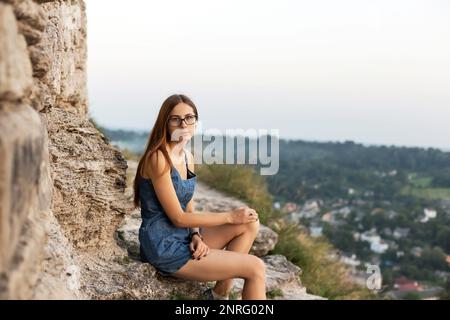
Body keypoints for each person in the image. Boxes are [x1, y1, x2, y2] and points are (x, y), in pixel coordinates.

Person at [133, 94, 266, 300]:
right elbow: (178, 217)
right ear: (165, 123)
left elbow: (188, 206)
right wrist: (229, 216)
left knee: (250, 223)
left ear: (196, 121)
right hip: (164, 244)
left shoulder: (187, 157)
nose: (183, 124)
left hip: (184, 236)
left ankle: (218, 294)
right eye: (175, 119)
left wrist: (196, 235)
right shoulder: (158, 158)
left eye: (189, 117)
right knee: (255, 268)